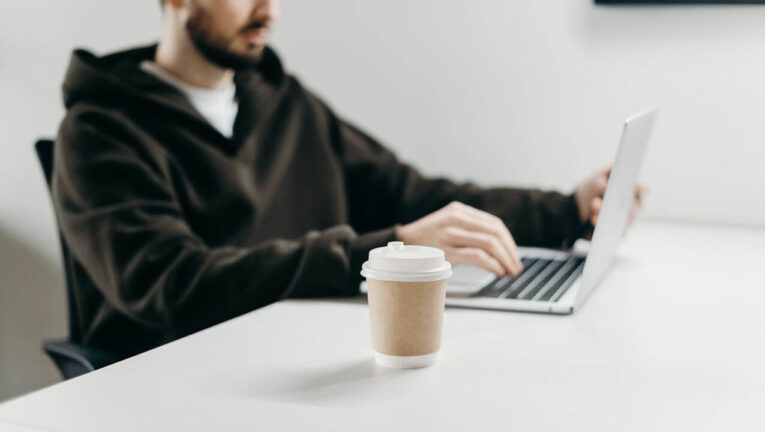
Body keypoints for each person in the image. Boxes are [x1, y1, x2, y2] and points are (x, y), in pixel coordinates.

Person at [52, 0, 646, 358]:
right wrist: (380, 253)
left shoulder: (284, 103)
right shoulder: (100, 131)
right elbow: (172, 284)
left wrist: (566, 208)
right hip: (173, 388)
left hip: (293, 360)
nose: (271, 11)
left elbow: (410, 194)